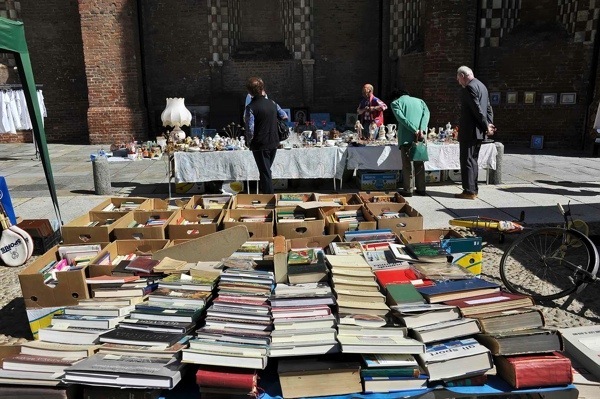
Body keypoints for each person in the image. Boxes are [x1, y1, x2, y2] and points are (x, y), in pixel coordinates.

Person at [455, 66, 496, 200]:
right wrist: (489, 125)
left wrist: (486, 125)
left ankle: (469, 191)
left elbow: (477, 109)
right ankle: (474, 189)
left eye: (458, 78)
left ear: (462, 75)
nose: (458, 81)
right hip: (479, 131)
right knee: (473, 160)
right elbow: (488, 108)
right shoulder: (482, 86)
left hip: (470, 130)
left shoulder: (470, 87)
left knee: (467, 160)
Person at [244, 77, 288, 194]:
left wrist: (249, 143)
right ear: (262, 89)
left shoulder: (250, 108)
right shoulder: (273, 103)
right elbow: (284, 116)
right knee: (265, 170)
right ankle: (266, 195)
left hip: (260, 143)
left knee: (265, 172)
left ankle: (269, 197)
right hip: (274, 141)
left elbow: (250, 129)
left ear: (249, 92)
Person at [390, 89, 430, 197]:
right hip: (421, 136)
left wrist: (414, 130)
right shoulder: (420, 101)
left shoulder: (395, 103)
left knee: (408, 164)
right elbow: (426, 115)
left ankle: (408, 189)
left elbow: (402, 119)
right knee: (419, 163)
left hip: (406, 137)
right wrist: (421, 129)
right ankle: (421, 188)